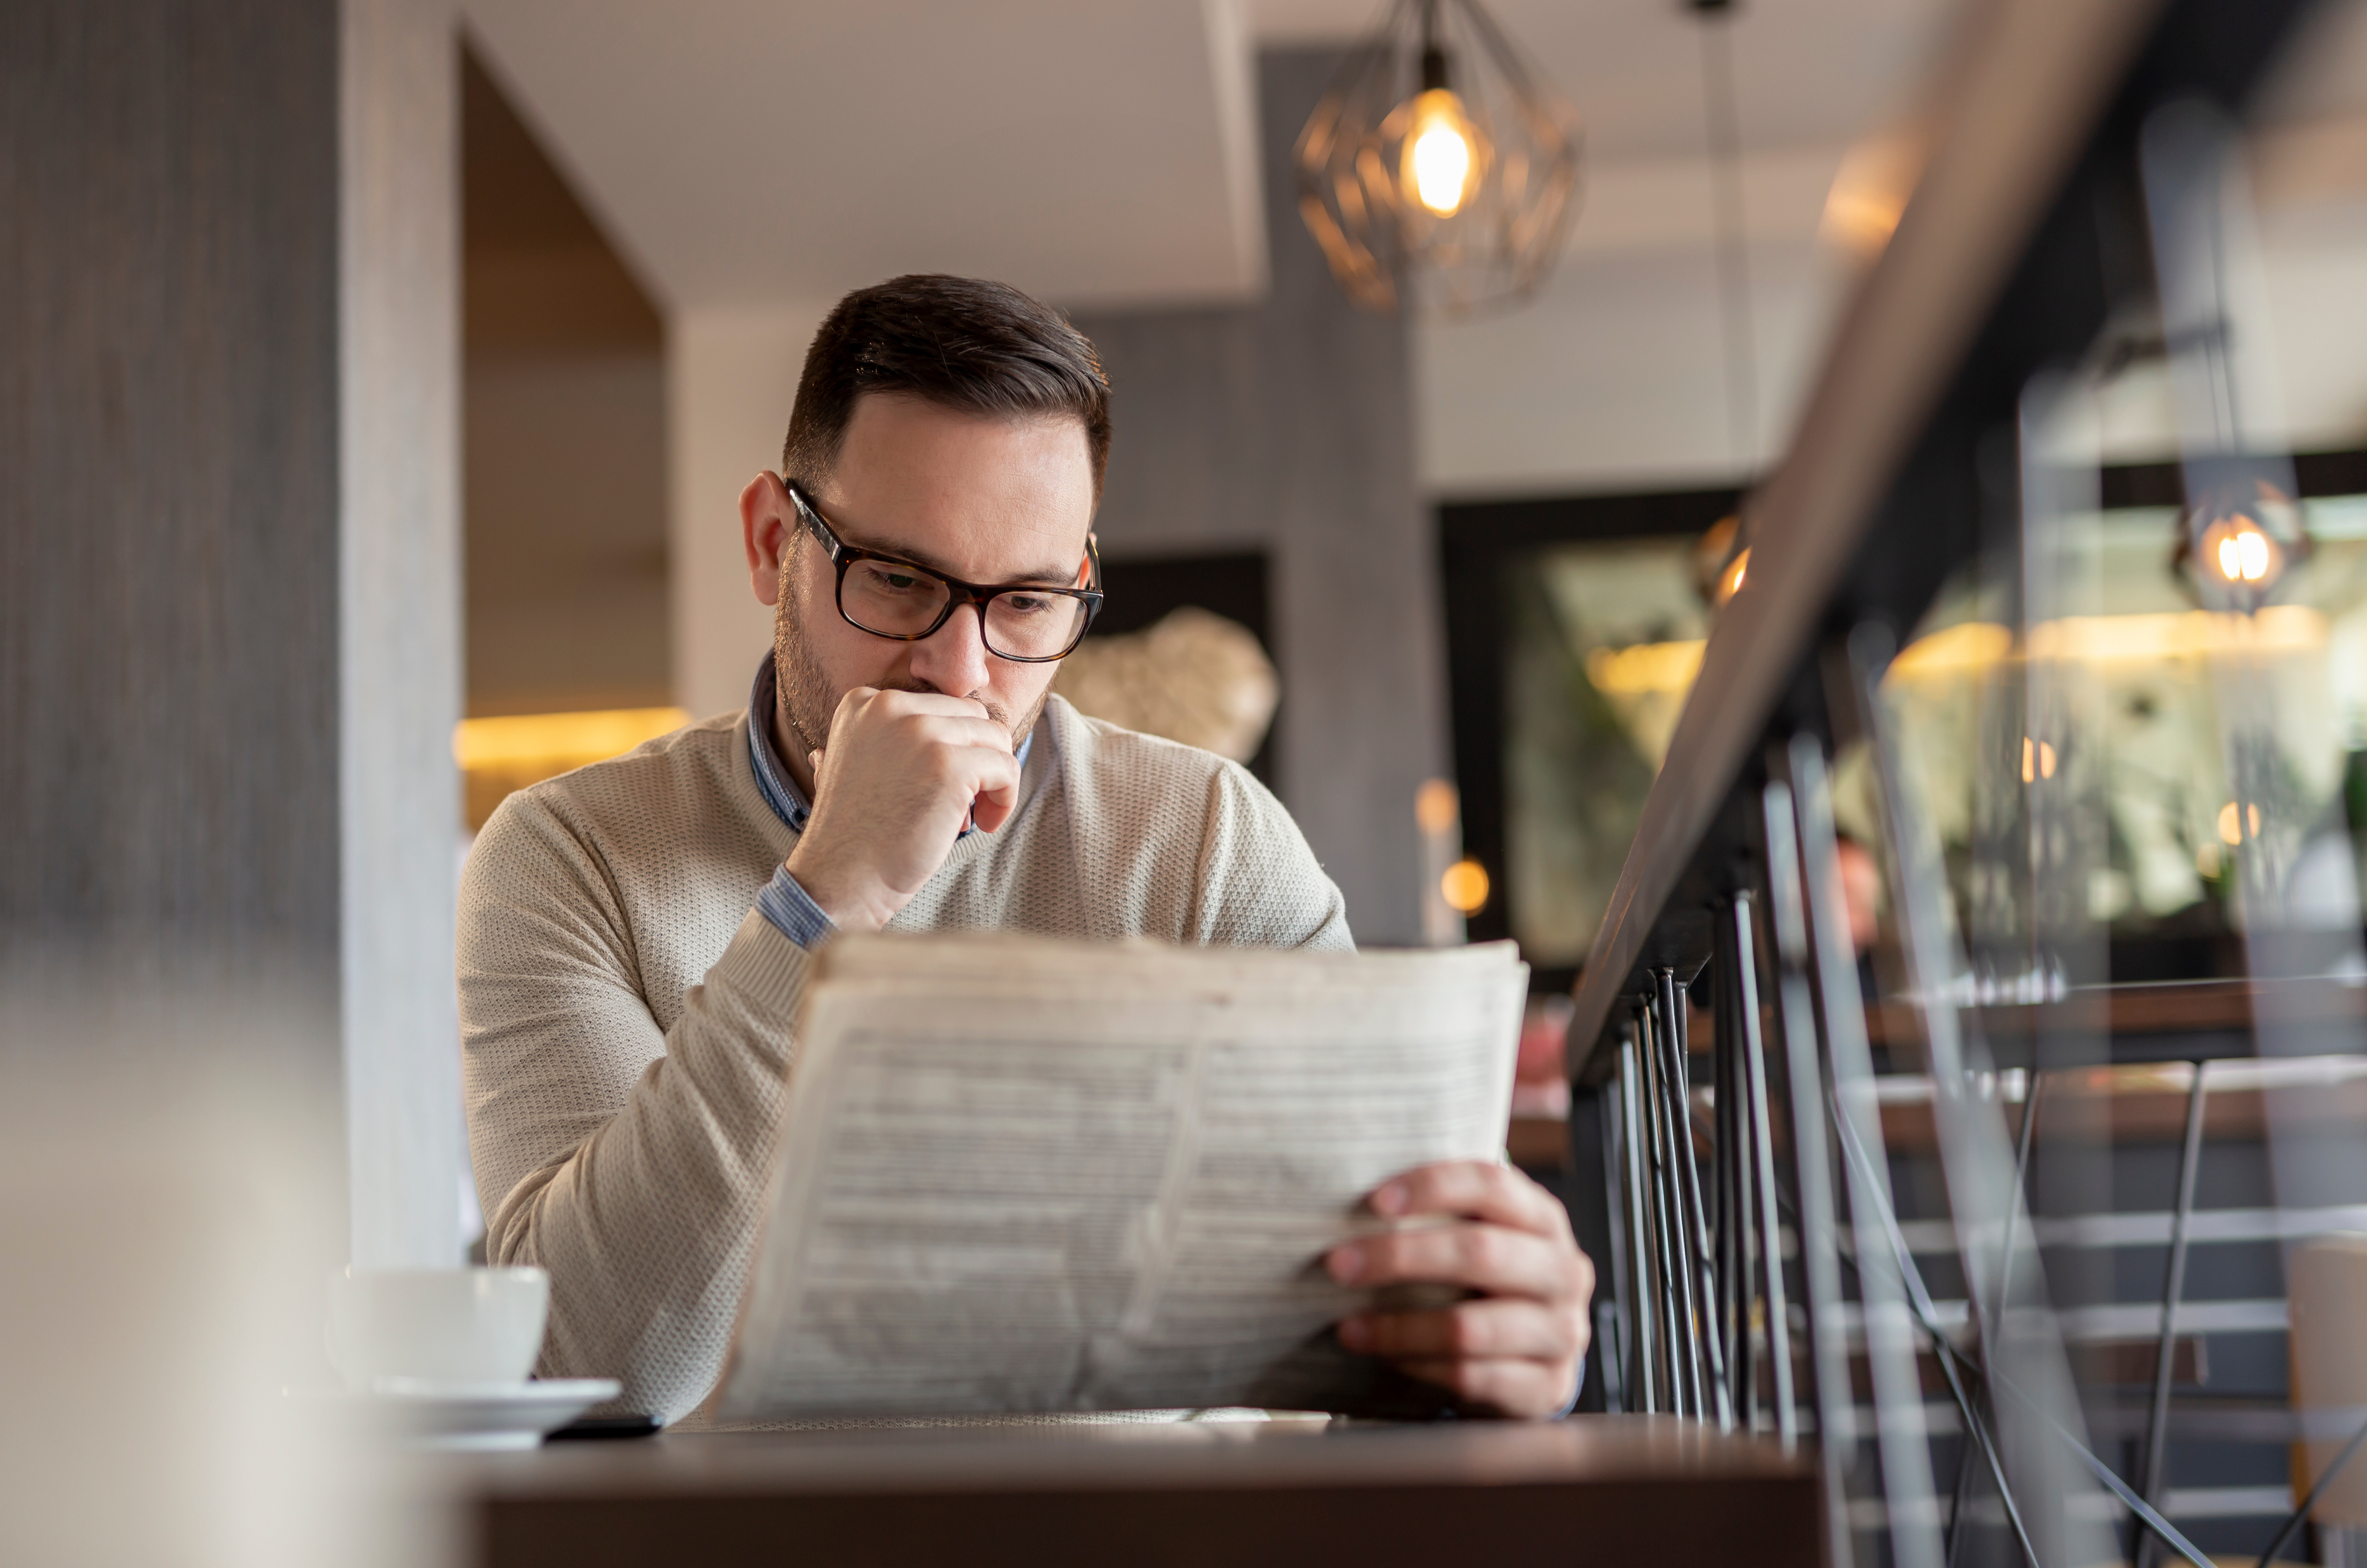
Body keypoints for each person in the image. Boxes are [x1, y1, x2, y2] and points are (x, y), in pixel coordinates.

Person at [460, 274, 1594, 1424]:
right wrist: (825, 902)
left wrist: (1489, 1330)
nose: (961, 674)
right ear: (772, 546)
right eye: (898, 581)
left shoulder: (1207, 841)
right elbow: (594, 1373)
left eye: (1029, 604)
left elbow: (1372, 1333)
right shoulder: (570, 860)